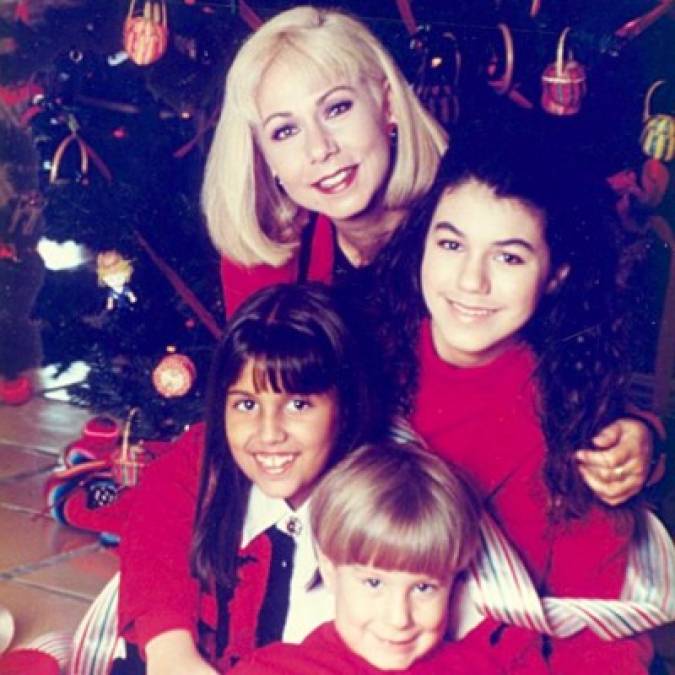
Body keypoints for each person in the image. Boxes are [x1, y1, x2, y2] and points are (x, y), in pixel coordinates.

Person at [201, 4, 659, 506]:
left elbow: (582, 379)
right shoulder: (270, 262)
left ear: (387, 105)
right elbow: (261, 420)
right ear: (265, 157)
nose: (320, 149)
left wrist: (643, 438)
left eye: (336, 109)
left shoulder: (475, 218)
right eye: (285, 131)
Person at [367, 127, 671, 673]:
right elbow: (212, 464)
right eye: (451, 244)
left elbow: (601, 631)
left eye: (508, 258)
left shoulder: (571, 414)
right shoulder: (359, 355)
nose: (470, 280)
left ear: (555, 276)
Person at [115, 283, 380, 674]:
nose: (269, 433)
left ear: (344, 406)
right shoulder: (205, 460)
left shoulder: (381, 499)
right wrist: (173, 651)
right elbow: (154, 527)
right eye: (246, 404)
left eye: (298, 404)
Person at [231, 440, 510, 674]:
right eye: (374, 583)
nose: (399, 618)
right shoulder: (278, 670)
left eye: (424, 588)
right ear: (329, 570)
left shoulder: (476, 665)